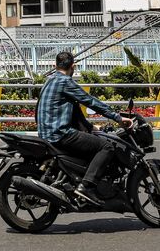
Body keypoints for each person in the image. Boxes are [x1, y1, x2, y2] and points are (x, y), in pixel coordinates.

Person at [36, 52, 133, 205]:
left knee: (92, 142)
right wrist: (118, 118)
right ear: (73, 66)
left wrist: (91, 127)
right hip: (60, 135)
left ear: (55, 66)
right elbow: (90, 101)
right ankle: (86, 186)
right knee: (106, 147)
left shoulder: (49, 81)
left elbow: (74, 111)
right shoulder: (65, 82)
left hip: (46, 134)